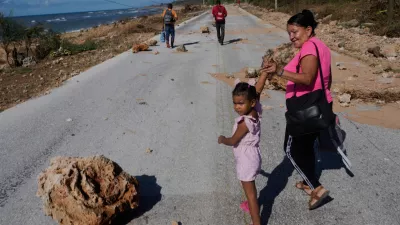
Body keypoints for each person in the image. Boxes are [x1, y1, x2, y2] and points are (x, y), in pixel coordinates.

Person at [255, 9, 333, 210]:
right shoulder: (320, 46)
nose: (291, 37)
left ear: (308, 29)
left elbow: (307, 77)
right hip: (317, 105)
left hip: (304, 109)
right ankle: (308, 182)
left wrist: (280, 71)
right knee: (306, 148)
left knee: (291, 150)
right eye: (289, 32)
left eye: (295, 32)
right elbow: (324, 78)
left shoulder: (308, 49)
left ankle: (317, 187)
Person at [218, 80, 262, 225]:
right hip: (253, 155)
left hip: (246, 159)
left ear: (252, 102)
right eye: (235, 103)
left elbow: (233, 141)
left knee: (250, 194)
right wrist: (264, 75)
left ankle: (256, 221)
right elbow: (258, 91)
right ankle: (250, 205)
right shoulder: (256, 112)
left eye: (241, 103)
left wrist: (223, 139)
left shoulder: (244, 123)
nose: (237, 107)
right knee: (250, 188)